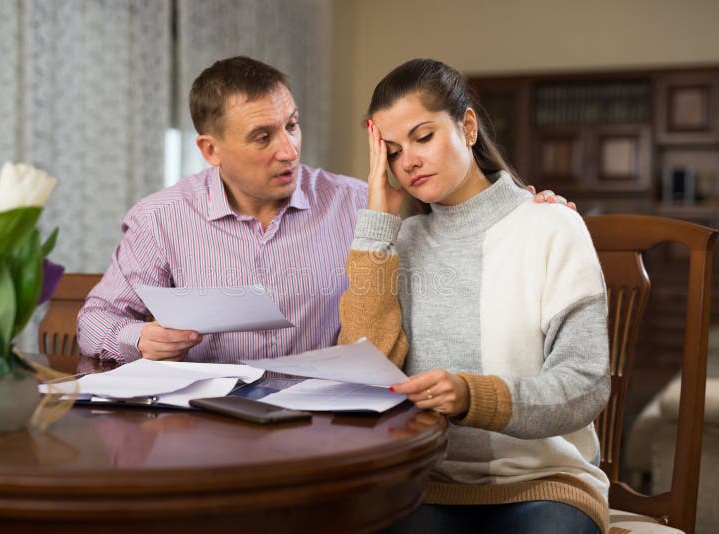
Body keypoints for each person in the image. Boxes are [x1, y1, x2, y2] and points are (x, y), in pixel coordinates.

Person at [77, 56, 573, 365]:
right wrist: (139, 337)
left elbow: (459, 222)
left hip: (323, 430)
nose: (289, 149)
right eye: (263, 137)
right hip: (202, 433)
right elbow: (95, 320)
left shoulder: (362, 204)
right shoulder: (160, 219)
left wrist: (528, 212)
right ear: (210, 150)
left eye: (291, 125)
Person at [338, 58, 610, 534]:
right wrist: (378, 223)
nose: (410, 161)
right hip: (425, 483)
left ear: (467, 127)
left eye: (423, 137)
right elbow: (359, 375)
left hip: (543, 483)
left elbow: (585, 385)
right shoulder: (398, 245)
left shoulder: (551, 225)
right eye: (394, 152)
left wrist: (471, 396)